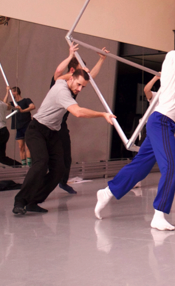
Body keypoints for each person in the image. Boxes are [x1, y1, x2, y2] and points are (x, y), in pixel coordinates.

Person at [94, 11, 175, 231]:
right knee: (173, 164)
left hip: (164, 123)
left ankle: (108, 192)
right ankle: (159, 214)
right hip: (161, 122)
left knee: (141, 166)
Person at [13, 69, 115, 215]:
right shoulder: (62, 91)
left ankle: (33, 201)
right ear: (72, 79)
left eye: (83, 87)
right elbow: (78, 112)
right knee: (41, 162)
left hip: (52, 132)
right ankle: (20, 201)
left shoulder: (62, 81)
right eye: (78, 84)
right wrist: (102, 114)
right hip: (37, 129)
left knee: (59, 169)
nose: (79, 89)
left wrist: (99, 62)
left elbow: (65, 75)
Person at [50, 42, 110, 194]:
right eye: (79, 72)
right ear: (72, 71)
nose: (80, 86)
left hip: (60, 124)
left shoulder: (76, 84)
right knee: (46, 159)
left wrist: (101, 60)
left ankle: (63, 182)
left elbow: (90, 77)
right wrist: (71, 55)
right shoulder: (60, 82)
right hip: (47, 124)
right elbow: (58, 72)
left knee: (66, 157)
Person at [3, 86, 35, 167]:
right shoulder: (13, 103)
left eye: (12, 92)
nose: (11, 94)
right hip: (19, 127)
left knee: (28, 146)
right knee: (21, 147)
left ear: (16, 92)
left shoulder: (26, 100)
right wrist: (7, 92)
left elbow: (32, 106)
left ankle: (29, 165)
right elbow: (4, 105)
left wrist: (22, 110)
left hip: (27, 125)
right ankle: (24, 165)